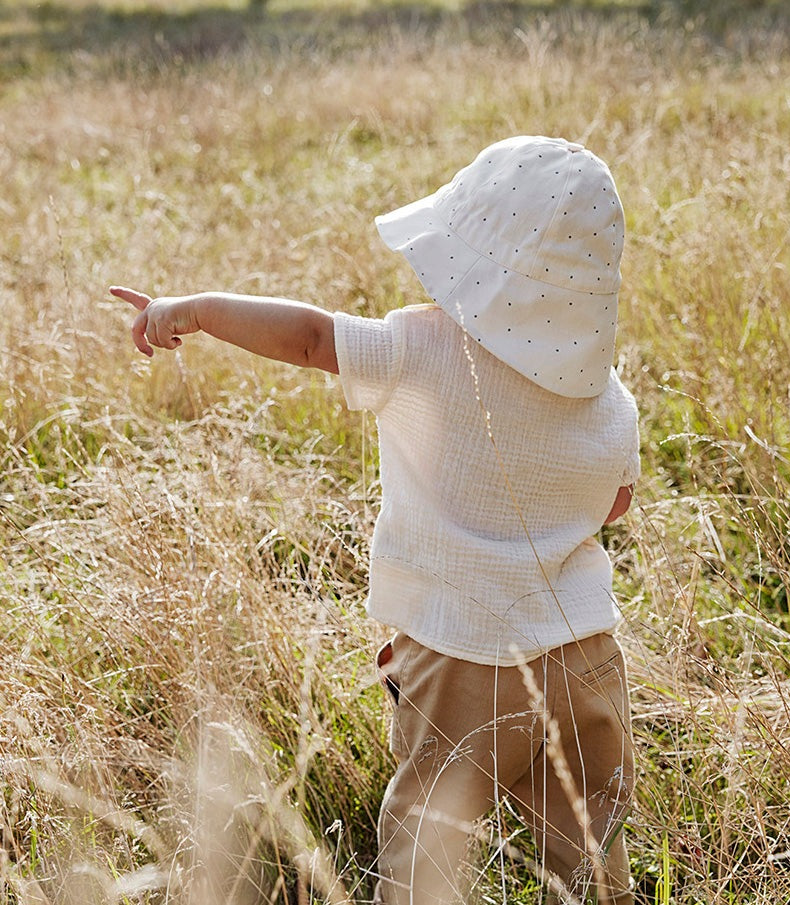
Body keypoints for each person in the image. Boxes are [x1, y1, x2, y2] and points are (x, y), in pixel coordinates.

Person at [112, 135, 640, 905]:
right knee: (591, 844)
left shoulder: (420, 347)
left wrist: (190, 310)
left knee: (428, 836)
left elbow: (310, 335)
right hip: (587, 658)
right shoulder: (611, 400)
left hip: (465, 659)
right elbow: (614, 504)